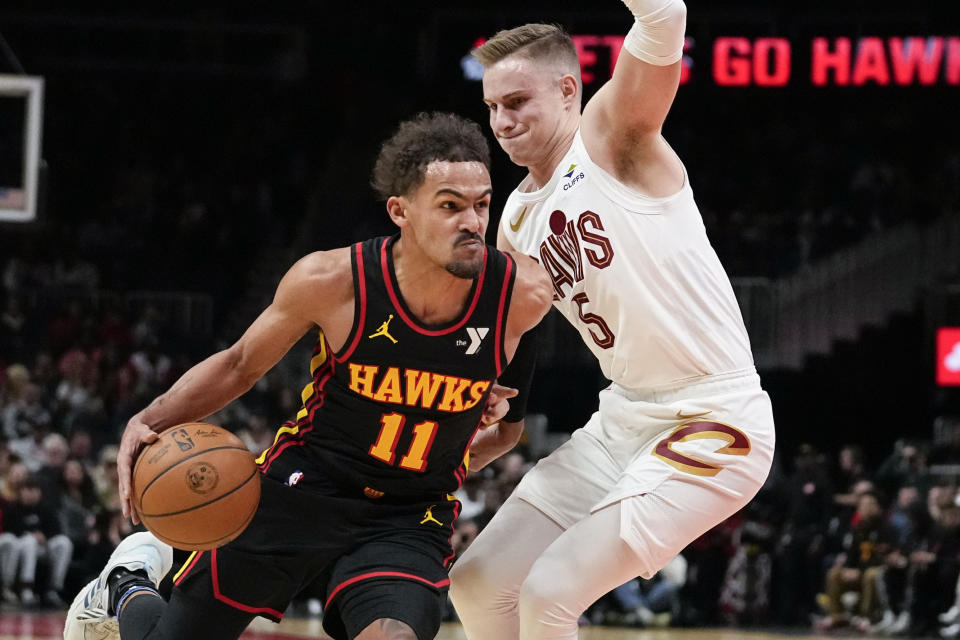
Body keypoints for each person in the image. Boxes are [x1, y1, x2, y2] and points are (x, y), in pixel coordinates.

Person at [63, 111, 552, 640]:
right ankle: (128, 583)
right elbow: (240, 364)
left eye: (481, 204)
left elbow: (506, 429)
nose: (473, 223)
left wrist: (452, 448)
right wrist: (149, 417)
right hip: (303, 484)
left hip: (407, 514)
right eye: (450, 206)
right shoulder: (332, 281)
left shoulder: (521, 294)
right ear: (400, 212)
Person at [447, 2, 777, 638]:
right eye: (492, 107)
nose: (501, 122)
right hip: (623, 420)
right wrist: (484, 401)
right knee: (479, 581)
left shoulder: (607, 135)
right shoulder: (514, 217)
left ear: (569, 89)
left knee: (550, 593)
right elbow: (511, 332)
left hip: (715, 418)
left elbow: (664, 18)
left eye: (516, 101)